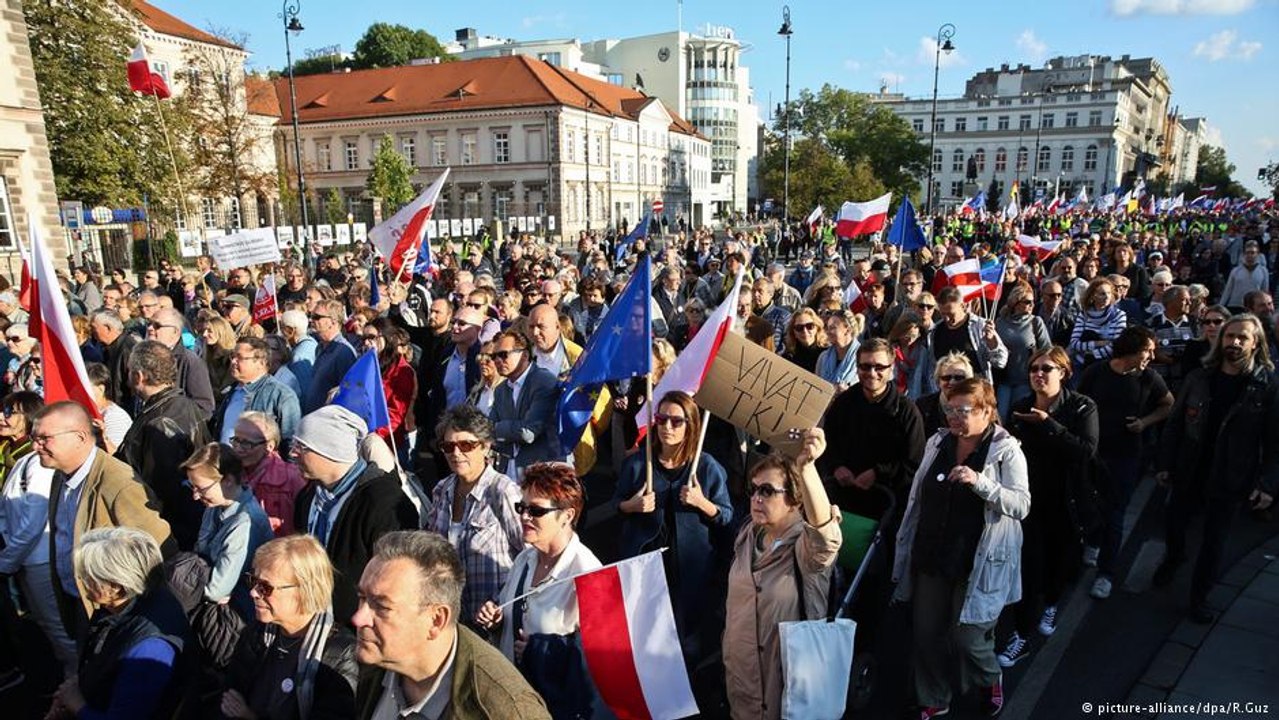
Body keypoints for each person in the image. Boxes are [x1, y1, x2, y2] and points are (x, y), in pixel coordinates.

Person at [893, 378, 1029, 718]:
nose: (954, 417)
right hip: (933, 551)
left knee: (966, 638)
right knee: (926, 633)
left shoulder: (1005, 450)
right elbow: (919, 495)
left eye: (963, 411)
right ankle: (935, 698)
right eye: (949, 409)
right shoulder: (938, 442)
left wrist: (980, 482)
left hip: (977, 559)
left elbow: (1021, 504)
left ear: (986, 411)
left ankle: (989, 677)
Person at [1154, 314, 1278, 623]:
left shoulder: (1265, 386)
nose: (1234, 342)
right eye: (1229, 336)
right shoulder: (1199, 378)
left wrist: (1267, 483)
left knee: (1215, 542)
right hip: (1189, 468)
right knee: (1174, 524)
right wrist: (1165, 462)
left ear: (1256, 344)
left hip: (1231, 475)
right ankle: (1174, 557)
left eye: (1242, 338)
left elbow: (1274, 440)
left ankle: (1200, 597)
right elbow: (1176, 423)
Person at [353, 530, 551, 720]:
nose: (358, 619)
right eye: (362, 598)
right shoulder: (372, 667)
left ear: (436, 620)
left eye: (382, 607)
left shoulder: (505, 709)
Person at [723, 429, 841, 720]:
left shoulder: (806, 549)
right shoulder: (748, 534)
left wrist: (807, 468)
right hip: (742, 679)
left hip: (786, 682)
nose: (756, 498)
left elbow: (825, 537)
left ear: (795, 499)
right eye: (754, 489)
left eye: (767, 491)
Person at [997, 347, 1099, 667]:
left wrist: (1048, 425)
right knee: (1029, 567)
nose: (1039, 374)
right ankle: (1022, 635)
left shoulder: (1082, 406)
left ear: (1064, 373)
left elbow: (1086, 451)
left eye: (1047, 369)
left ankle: (1052, 603)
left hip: (1066, 502)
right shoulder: (1019, 407)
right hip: (1029, 504)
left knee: (1059, 562)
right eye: (1034, 369)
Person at [475, 463, 603, 717]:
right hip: (512, 701)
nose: (524, 517)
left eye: (536, 510)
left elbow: (598, 658)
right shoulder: (525, 559)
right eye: (521, 507)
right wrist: (495, 619)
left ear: (567, 515)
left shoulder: (588, 574)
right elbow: (510, 616)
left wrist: (541, 649)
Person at [613, 391, 734, 662]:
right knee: (644, 635)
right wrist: (630, 506)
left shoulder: (705, 466)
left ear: (690, 425)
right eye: (661, 418)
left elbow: (726, 517)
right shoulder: (637, 464)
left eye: (676, 421)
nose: (667, 427)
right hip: (645, 566)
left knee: (685, 642)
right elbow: (615, 505)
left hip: (690, 569)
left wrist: (703, 503)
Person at [39, 401, 174, 635]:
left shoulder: (118, 483)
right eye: (34, 438)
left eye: (44, 438)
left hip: (115, 616)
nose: (35, 446)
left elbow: (159, 551)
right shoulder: (59, 477)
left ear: (80, 437)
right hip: (81, 603)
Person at [291, 406, 418, 626]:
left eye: (303, 447)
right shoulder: (307, 497)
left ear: (329, 450)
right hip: (313, 623)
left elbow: (396, 578)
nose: (293, 453)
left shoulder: (384, 502)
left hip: (359, 631)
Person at [47, 528, 192, 720]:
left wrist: (77, 704)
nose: (81, 581)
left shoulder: (149, 648)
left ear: (116, 586)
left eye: (88, 577)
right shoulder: (141, 600)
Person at [1076, 326, 1173, 600]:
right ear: (1131, 349)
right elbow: (1079, 402)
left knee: (1115, 513)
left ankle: (1106, 573)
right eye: (1148, 350)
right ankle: (1093, 542)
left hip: (1126, 455)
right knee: (1089, 504)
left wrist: (1145, 422)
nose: (1151, 357)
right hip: (1093, 453)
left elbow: (1168, 404)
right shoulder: (1097, 372)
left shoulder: (1149, 379)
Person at [219, 534, 358, 720]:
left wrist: (249, 717)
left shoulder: (339, 654)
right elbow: (229, 698)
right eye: (253, 581)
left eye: (265, 587)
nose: (253, 592)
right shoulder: (257, 633)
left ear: (305, 590)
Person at [0, 393, 79, 673]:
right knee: (46, 623)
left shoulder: (39, 464)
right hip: (26, 559)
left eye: (11, 411)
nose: (2, 416)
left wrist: (6, 561)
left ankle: (78, 681)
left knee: (57, 625)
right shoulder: (21, 458)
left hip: (39, 560)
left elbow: (33, 520)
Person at [424, 405, 523, 622]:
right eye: (448, 446)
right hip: (451, 619)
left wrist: (501, 602)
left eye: (466, 445)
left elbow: (531, 556)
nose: (456, 453)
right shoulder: (441, 490)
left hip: (495, 621)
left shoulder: (503, 491)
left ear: (486, 447)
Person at [118, 340, 213, 550]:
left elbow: (157, 490)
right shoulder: (184, 405)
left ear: (139, 376)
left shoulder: (159, 423)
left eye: (130, 371)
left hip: (169, 532)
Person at [181, 443, 273, 619]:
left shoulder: (245, 524)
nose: (195, 495)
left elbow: (216, 590)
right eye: (192, 487)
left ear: (228, 481)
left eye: (201, 488)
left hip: (237, 617)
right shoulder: (214, 506)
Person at [488, 330, 561, 478]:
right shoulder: (501, 390)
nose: (497, 361)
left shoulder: (543, 381)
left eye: (503, 355)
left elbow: (528, 433)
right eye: (493, 356)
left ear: (525, 355)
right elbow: (488, 431)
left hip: (542, 473)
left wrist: (499, 429)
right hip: (508, 471)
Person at [212, 337, 302, 452]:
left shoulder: (281, 395)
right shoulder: (232, 390)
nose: (233, 361)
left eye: (239, 357)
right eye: (232, 356)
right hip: (227, 464)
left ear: (261, 363)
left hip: (260, 468)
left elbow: (290, 444)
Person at [230, 412, 307, 537]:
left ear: (269, 446)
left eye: (246, 444)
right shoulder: (230, 472)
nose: (238, 448)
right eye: (236, 440)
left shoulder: (291, 478)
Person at [921, 286, 1008, 386]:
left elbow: (1000, 362)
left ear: (963, 306)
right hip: (947, 393)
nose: (947, 319)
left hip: (974, 390)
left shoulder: (980, 326)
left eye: (951, 314)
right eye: (943, 314)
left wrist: (992, 342)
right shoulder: (935, 331)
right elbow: (933, 368)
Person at [995, 281, 1052, 419]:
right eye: (1027, 302)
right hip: (1004, 380)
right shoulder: (1000, 322)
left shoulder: (1035, 322)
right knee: (1001, 416)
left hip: (1025, 380)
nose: (1032, 305)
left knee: (1018, 416)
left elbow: (1047, 350)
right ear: (1015, 303)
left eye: (1033, 301)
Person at [148, 307, 216, 416]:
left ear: (175, 332)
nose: (150, 328)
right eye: (149, 324)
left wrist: (174, 422)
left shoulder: (191, 362)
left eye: (157, 326)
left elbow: (204, 408)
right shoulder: (145, 356)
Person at [360, 322, 417, 452]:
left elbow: (395, 415)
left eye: (371, 337)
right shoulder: (369, 363)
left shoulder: (402, 371)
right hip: (366, 435)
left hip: (386, 443)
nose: (367, 343)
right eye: (364, 338)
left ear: (387, 338)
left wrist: (373, 437)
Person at [304, 299, 357, 414]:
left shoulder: (344, 352)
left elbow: (347, 393)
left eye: (317, 317)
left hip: (328, 421)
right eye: (311, 316)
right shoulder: (320, 347)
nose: (311, 320)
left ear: (333, 322)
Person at [1069, 277, 1127, 371]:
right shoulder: (1084, 315)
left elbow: (1116, 344)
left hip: (1106, 365)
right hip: (1081, 364)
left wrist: (1093, 355)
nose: (1107, 297)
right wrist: (1098, 343)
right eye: (1102, 294)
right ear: (1093, 296)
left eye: (1109, 293)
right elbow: (1075, 343)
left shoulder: (1119, 315)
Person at [85, 362, 133, 453]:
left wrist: (102, 438)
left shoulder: (114, 416)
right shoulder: (87, 412)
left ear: (100, 389)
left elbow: (115, 456)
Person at [816, 309, 863, 393]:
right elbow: (816, 387)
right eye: (828, 328)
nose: (828, 332)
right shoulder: (823, 357)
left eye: (833, 328)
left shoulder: (863, 357)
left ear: (847, 330)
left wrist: (847, 390)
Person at [781, 308, 828, 373]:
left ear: (817, 328)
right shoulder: (788, 357)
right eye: (799, 328)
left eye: (810, 326)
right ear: (793, 333)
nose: (805, 331)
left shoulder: (828, 354)